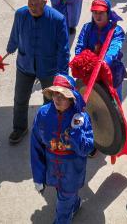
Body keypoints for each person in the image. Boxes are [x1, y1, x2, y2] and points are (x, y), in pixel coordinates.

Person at [6, 0, 69, 144]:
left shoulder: (57, 19)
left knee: (50, 102)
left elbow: (63, 49)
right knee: (20, 98)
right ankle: (20, 128)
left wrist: (63, 73)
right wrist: (10, 48)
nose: (32, 7)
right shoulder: (20, 14)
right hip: (25, 64)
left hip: (48, 67)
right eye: (30, 3)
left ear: (45, 2)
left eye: (36, 4)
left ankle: (47, 130)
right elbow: (15, 33)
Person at [31, 74, 94, 223]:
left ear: (72, 98)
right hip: (52, 167)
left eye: (63, 95)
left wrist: (76, 131)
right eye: (55, 94)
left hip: (72, 170)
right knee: (64, 194)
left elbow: (87, 149)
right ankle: (75, 204)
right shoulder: (43, 114)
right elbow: (36, 146)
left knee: (63, 207)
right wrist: (38, 176)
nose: (57, 99)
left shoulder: (81, 118)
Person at [74, 0, 127, 99]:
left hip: (110, 71)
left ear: (107, 13)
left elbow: (114, 49)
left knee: (114, 104)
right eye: (95, 12)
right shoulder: (87, 28)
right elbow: (80, 47)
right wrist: (82, 61)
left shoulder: (116, 31)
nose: (97, 16)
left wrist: (103, 63)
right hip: (89, 71)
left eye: (101, 13)